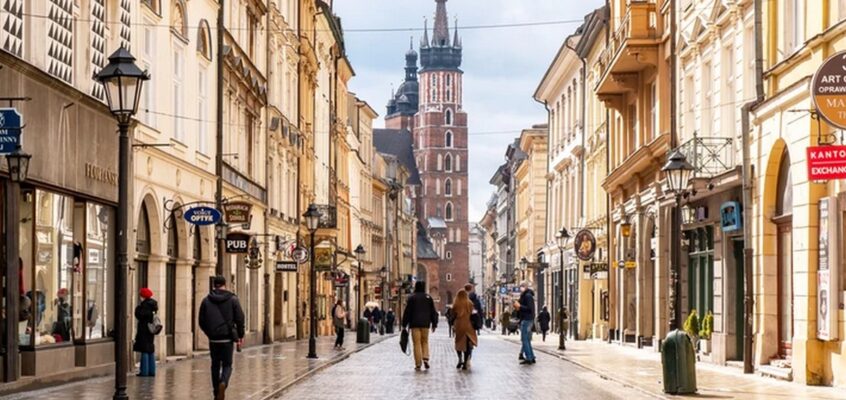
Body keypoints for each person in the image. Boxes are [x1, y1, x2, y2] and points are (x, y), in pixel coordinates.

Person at [199, 276, 245, 400]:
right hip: (227, 339)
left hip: (213, 340)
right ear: (225, 285)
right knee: (227, 365)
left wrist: (209, 333)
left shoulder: (206, 300)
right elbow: (240, 318)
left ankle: (216, 393)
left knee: (215, 365)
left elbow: (201, 321)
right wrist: (240, 335)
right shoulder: (233, 299)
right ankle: (223, 383)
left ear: (214, 285)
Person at [401, 281, 438, 371]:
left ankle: (418, 363)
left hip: (414, 325)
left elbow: (407, 312)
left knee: (416, 343)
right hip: (425, 324)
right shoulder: (428, 298)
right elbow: (433, 312)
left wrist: (404, 324)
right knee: (425, 341)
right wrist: (434, 324)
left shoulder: (412, 298)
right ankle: (425, 357)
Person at [133, 288, 157, 377]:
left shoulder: (144, 306)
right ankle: (152, 371)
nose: (140, 297)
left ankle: (144, 371)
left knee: (144, 350)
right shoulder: (153, 305)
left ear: (143, 296)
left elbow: (140, 315)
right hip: (151, 330)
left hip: (144, 330)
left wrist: (138, 308)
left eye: (140, 295)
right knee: (150, 350)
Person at [452, 290, 478, 370]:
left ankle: (460, 358)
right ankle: (466, 361)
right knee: (467, 345)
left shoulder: (456, 303)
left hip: (459, 325)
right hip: (468, 325)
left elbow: (453, 314)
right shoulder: (469, 303)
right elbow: (473, 313)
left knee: (458, 343)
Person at [516, 282, 536, 365]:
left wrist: (520, 306)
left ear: (526, 287)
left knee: (525, 339)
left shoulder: (527, 296)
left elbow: (529, 308)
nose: (521, 288)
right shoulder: (526, 296)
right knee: (527, 340)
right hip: (527, 319)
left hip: (527, 320)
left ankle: (529, 358)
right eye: (520, 286)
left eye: (522, 286)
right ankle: (531, 356)